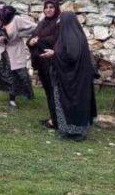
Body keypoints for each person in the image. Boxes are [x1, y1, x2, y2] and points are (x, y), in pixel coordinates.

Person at [40, 12, 97, 141]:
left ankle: (73, 131)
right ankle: (68, 129)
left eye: (60, 20)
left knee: (70, 104)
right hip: (73, 79)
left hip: (71, 80)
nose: (58, 23)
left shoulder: (71, 37)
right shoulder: (72, 35)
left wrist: (54, 55)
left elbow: (72, 56)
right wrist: (55, 53)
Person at [0, 5, 36, 107]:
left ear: (3, 16)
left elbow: (34, 27)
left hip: (14, 52)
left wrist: (19, 34)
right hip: (2, 52)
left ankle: (12, 99)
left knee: (13, 75)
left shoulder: (16, 20)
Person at [28, 0, 61, 129]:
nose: (48, 10)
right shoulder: (42, 23)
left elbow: (57, 40)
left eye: (51, 7)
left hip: (52, 63)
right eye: (46, 7)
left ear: (56, 8)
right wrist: (30, 42)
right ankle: (53, 118)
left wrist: (39, 40)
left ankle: (58, 120)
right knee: (48, 91)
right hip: (41, 62)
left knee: (54, 91)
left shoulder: (59, 23)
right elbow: (33, 37)